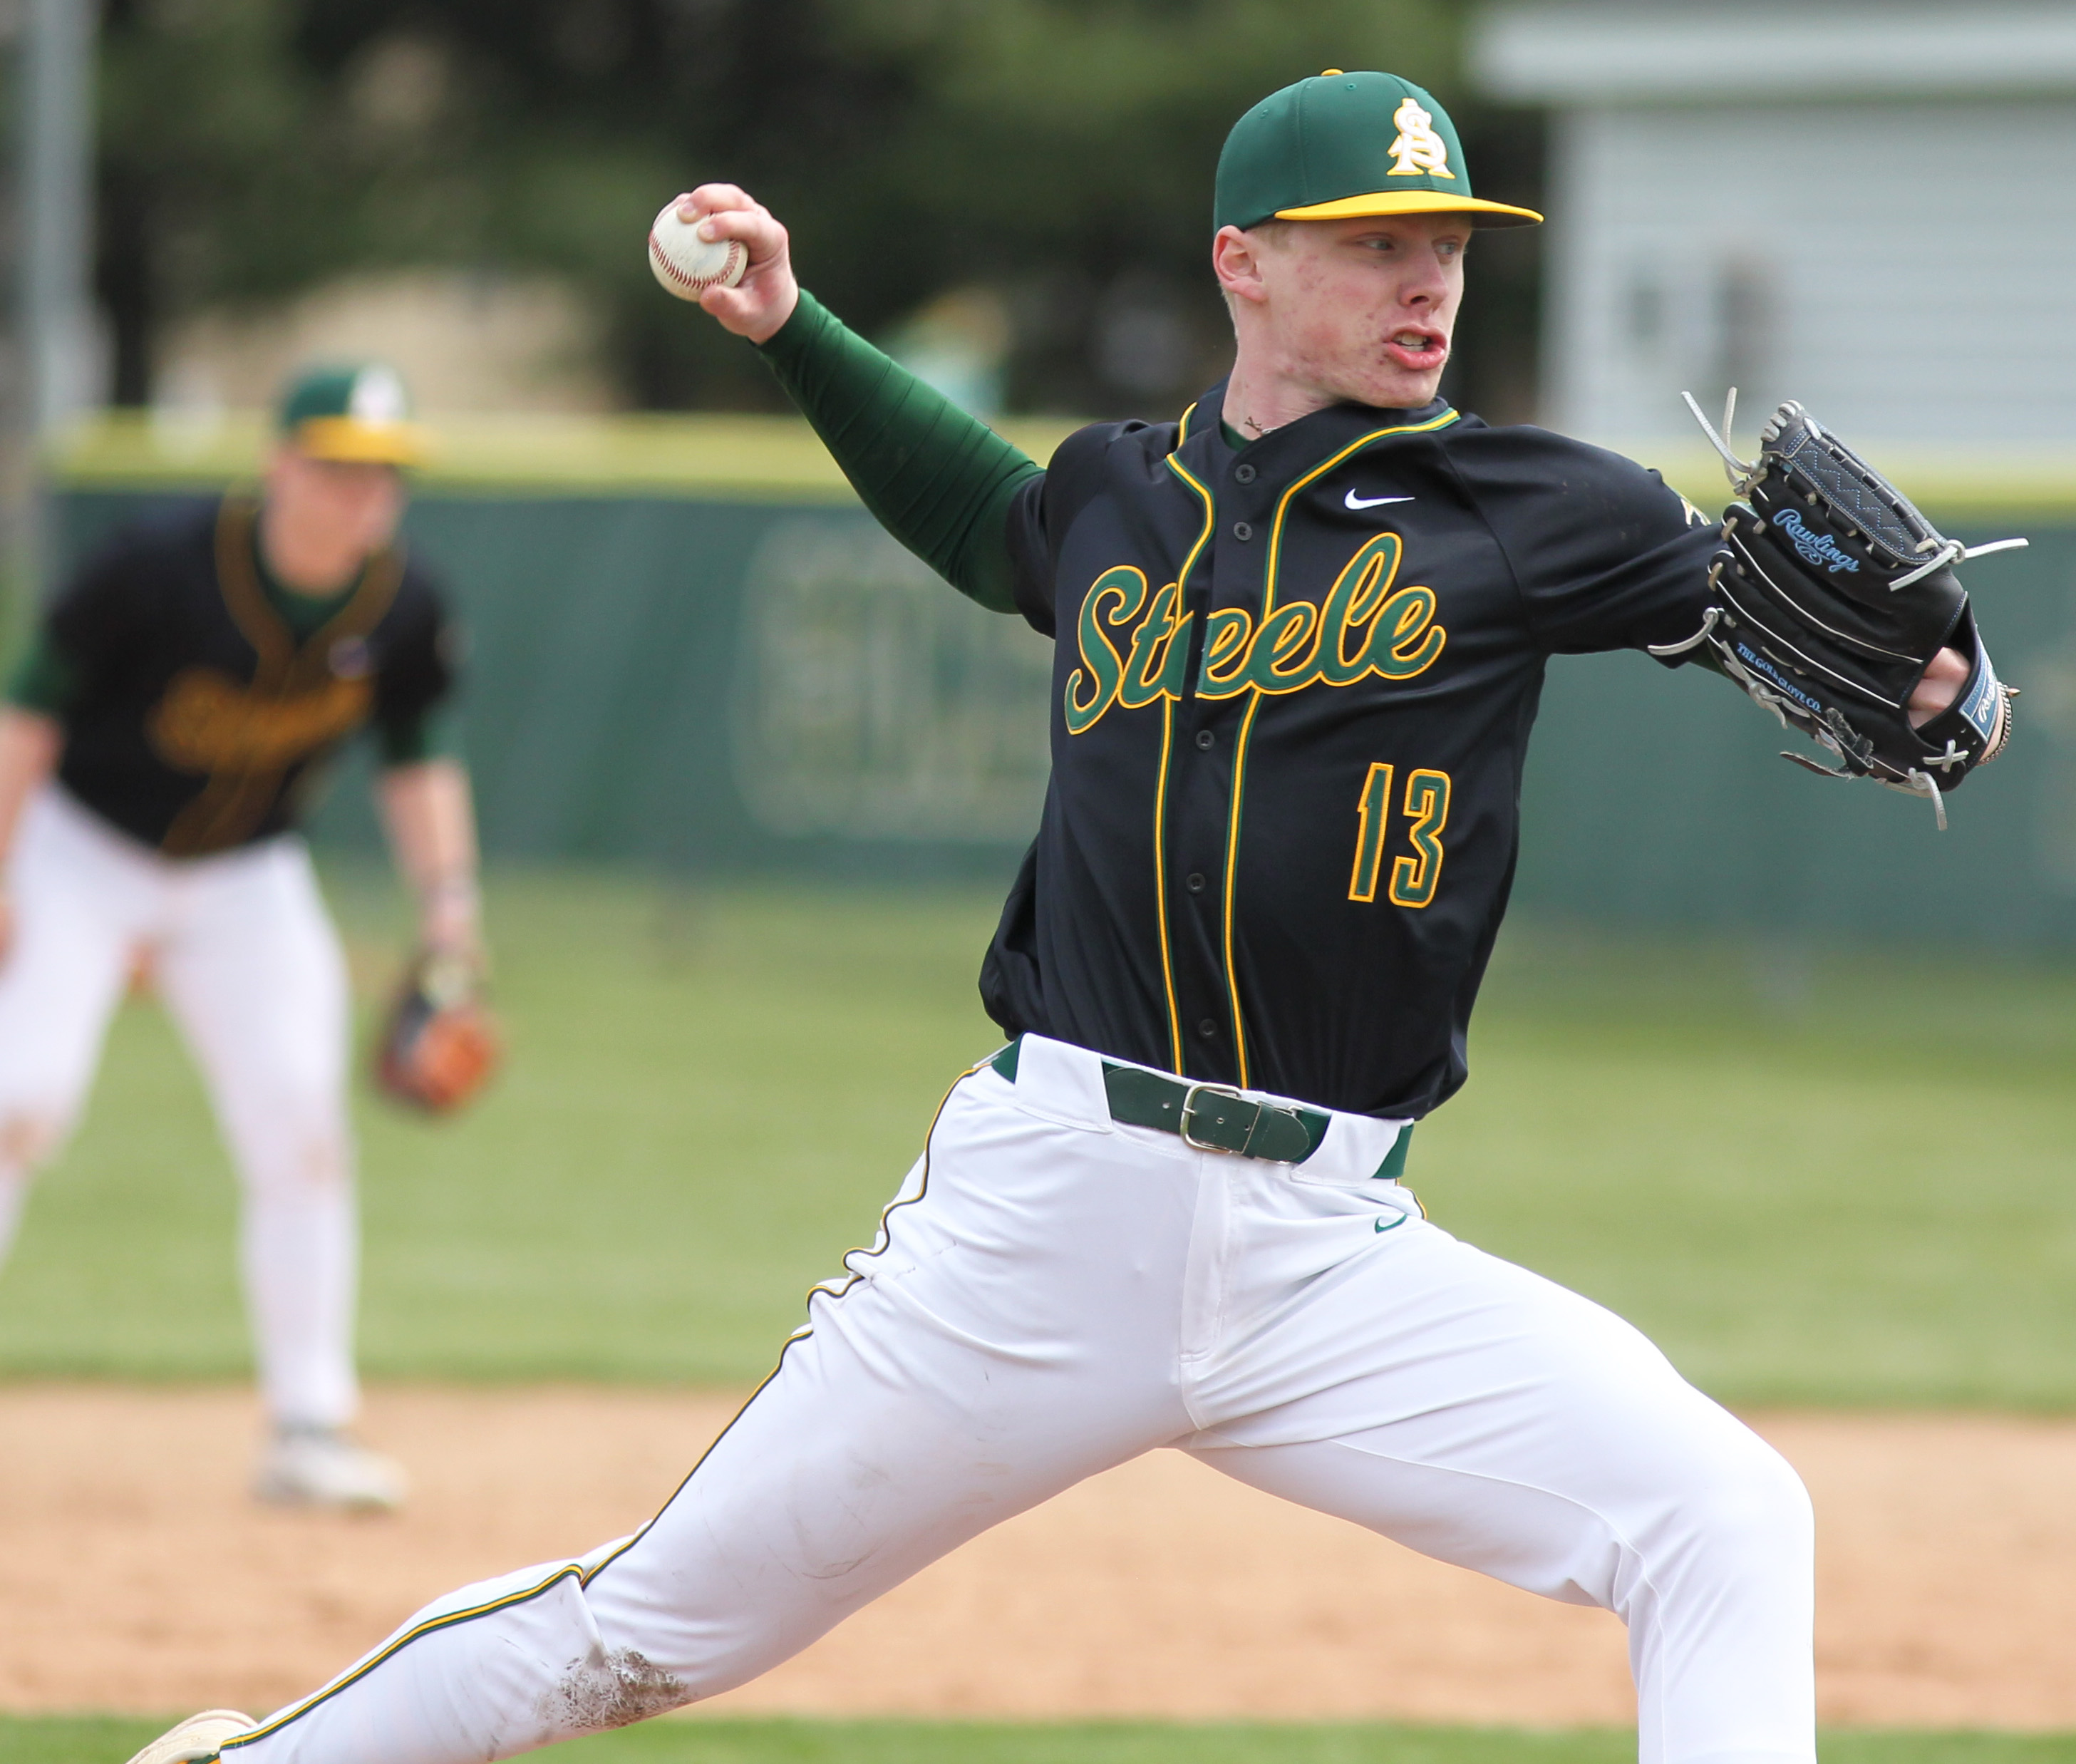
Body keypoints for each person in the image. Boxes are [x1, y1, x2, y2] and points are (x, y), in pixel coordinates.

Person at [132, 73, 1973, 1764]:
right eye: (1375, 245)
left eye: (1448, 247)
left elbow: (1786, 630)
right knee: (640, 1634)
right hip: (1044, 1218)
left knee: (1721, 1515)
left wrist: (1939, 691)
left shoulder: (1534, 506)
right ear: (1242, 266)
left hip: (1330, 1249)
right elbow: (977, 509)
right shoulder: (1114, 495)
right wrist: (789, 325)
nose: (1427, 283)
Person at [0, 363, 485, 1512]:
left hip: (245, 879)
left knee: (300, 1126)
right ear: (278, 464)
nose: (363, 495)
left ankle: (309, 1424)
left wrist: (449, 914)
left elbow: (417, 762)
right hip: (81, 852)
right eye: (338, 467)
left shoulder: (402, 604)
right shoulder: (155, 568)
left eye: (383, 475)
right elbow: (29, 706)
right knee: (21, 1101)